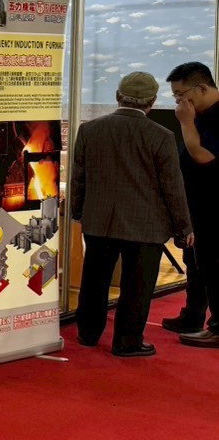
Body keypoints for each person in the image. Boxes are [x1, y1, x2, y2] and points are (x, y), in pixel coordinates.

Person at [69, 71, 191, 356]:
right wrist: (183, 227)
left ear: (117, 96)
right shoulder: (161, 136)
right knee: (137, 287)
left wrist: (78, 211)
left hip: (98, 221)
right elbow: (173, 187)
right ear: (151, 102)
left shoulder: (90, 130)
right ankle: (128, 342)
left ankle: (88, 333)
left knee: (94, 281)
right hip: (146, 225)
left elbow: (79, 178)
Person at [160, 63, 219, 346]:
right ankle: (193, 315)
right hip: (196, 205)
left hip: (214, 207)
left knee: (213, 265)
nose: (179, 102)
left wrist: (185, 122)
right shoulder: (201, 114)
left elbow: (203, 155)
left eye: (181, 95)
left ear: (202, 88)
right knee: (196, 263)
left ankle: (217, 327)